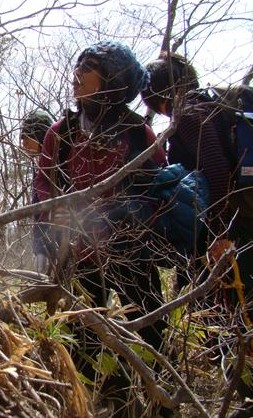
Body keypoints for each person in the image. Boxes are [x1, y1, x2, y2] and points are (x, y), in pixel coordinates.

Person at [34, 40, 169, 417]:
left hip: (131, 255)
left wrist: (121, 216)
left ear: (113, 79)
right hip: (76, 258)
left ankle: (150, 404)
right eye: (77, 65)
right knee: (79, 339)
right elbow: (42, 186)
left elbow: (158, 193)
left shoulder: (139, 135)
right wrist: (51, 217)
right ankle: (86, 405)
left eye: (88, 67)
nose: (76, 74)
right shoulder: (61, 133)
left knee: (148, 332)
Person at [142, 52, 253, 418]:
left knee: (243, 310)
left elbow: (214, 169)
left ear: (159, 93)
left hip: (236, 228)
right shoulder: (217, 105)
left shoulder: (191, 113)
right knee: (251, 304)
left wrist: (219, 234)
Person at [19, 109, 56, 273]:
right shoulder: (41, 168)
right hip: (44, 243)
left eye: (27, 137)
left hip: (56, 242)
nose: (23, 144)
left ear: (42, 135)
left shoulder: (56, 166)